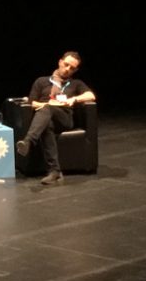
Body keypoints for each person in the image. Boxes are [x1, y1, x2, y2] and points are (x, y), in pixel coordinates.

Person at [15, 51, 97, 185]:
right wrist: (47, 105)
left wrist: (74, 99)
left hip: (64, 119)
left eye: (72, 68)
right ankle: (54, 171)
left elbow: (91, 95)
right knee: (47, 123)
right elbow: (32, 103)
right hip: (44, 119)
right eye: (66, 65)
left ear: (75, 70)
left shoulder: (75, 83)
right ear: (60, 62)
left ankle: (28, 141)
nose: (67, 69)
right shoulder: (41, 81)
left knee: (49, 108)